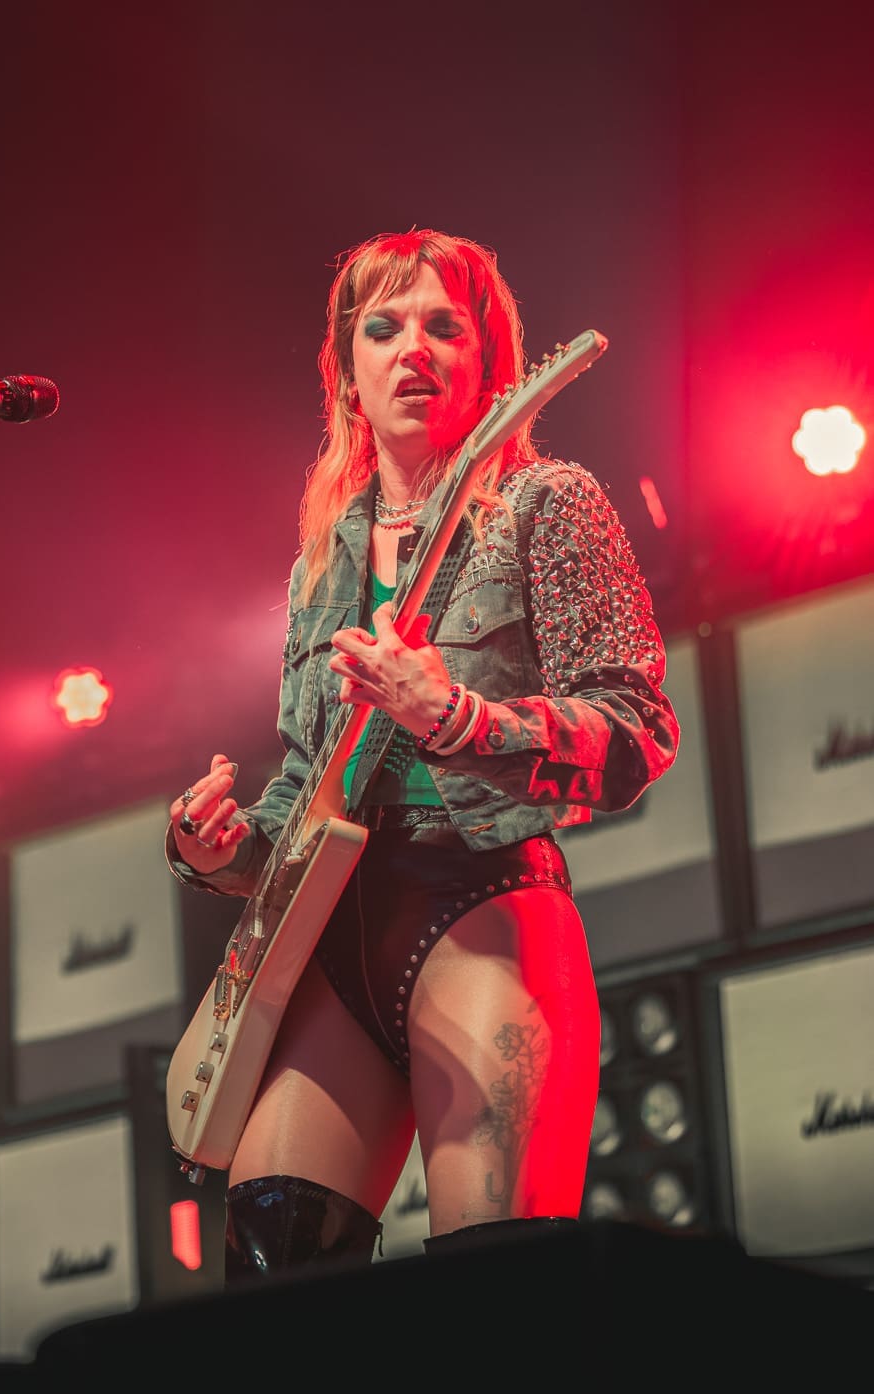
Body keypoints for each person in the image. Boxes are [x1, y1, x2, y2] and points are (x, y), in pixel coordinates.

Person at [164, 228, 680, 1283]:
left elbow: (636, 731)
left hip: (484, 907)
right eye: (384, 326)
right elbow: (307, 790)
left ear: (488, 359)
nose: (415, 349)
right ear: (345, 371)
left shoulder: (551, 502)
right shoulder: (323, 557)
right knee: (270, 1272)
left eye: (446, 325)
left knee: (492, 1304)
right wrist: (217, 852)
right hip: (330, 942)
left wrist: (457, 720)